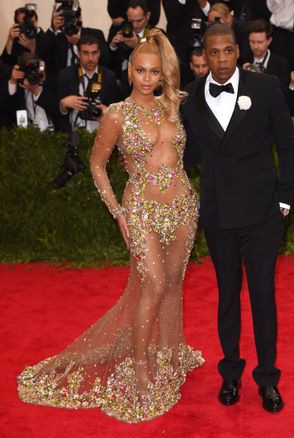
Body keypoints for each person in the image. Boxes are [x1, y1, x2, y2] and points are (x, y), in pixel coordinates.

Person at [17, 28, 204, 423]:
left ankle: (169, 353)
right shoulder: (117, 113)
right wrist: (118, 211)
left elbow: (179, 157)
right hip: (140, 210)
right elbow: (97, 165)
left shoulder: (172, 107)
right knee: (152, 284)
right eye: (141, 70)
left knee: (171, 285)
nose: (148, 78)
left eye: (155, 72)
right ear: (130, 71)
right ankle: (139, 365)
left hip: (184, 206)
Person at [182, 23, 294, 413]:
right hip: (218, 215)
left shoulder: (264, 88)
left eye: (227, 51)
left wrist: (283, 201)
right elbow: (189, 157)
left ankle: (267, 378)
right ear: (204, 56)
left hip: (262, 213)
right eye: (212, 53)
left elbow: (287, 145)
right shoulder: (192, 98)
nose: (220, 60)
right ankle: (230, 373)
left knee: (263, 297)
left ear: (238, 52)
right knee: (227, 297)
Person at [58, 35, 117, 133]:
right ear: (78, 54)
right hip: (74, 134)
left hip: (101, 134)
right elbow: (57, 112)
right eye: (85, 53)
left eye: (94, 53)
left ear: (99, 53)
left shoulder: (109, 76)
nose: (90, 58)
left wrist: (107, 111)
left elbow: (116, 109)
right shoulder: (65, 75)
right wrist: (63, 104)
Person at [108, 0, 156, 98]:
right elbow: (107, 63)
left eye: (139, 20)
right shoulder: (118, 30)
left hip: (146, 88)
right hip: (120, 87)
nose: (135, 25)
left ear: (148, 16)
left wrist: (137, 45)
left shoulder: (156, 34)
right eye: (131, 21)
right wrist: (113, 46)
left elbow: (159, 61)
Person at [242, 19, 290, 100]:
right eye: (252, 42)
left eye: (260, 42)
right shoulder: (242, 60)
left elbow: (283, 96)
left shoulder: (281, 64)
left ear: (269, 41)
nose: (255, 46)